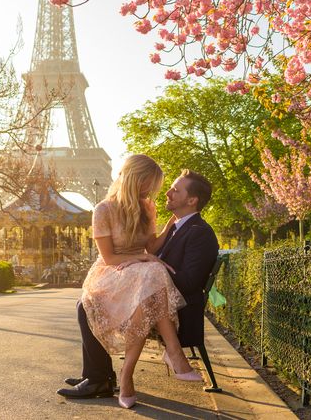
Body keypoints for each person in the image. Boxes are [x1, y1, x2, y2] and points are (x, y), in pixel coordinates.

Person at [58, 156, 218, 408]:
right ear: (136, 180)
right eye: (150, 185)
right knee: (139, 277)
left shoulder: (148, 208)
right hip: (113, 270)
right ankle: (166, 356)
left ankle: (108, 376)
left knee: (149, 277)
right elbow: (109, 257)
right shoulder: (103, 210)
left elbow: (151, 246)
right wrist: (142, 258)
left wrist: (166, 231)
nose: (154, 191)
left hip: (139, 273)